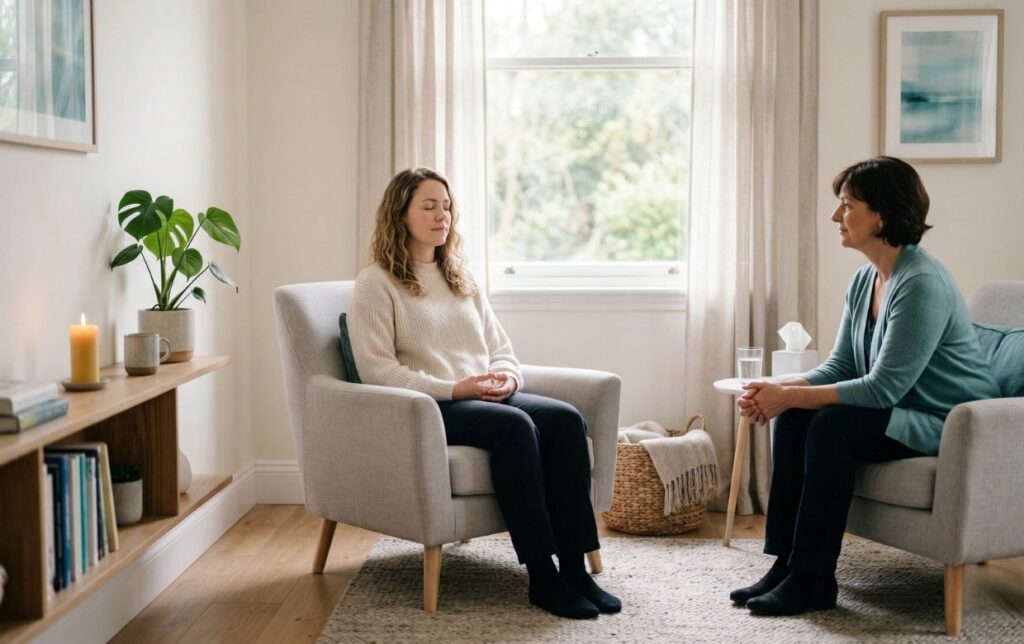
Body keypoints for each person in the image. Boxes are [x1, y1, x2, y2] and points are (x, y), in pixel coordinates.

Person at [730, 156, 999, 616]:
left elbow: (882, 389)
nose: (836, 216)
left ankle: (814, 579)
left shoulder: (921, 283)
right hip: (900, 413)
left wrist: (789, 394)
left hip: (947, 423)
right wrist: (775, 390)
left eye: (847, 205)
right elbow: (841, 366)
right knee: (795, 415)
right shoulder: (864, 279)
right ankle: (787, 564)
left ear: (882, 214)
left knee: (831, 425)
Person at [348, 167, 621, 620]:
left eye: (447, 206)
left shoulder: (460, 276)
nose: (443, 216)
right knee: (515, 426)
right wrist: (455, 387)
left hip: (483, 393)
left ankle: (574, 569)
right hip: (432, 404)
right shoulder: (375, 283)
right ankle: (541, 576)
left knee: (566, 419)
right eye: (429, 206)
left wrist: (508, 379)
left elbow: (500, 348)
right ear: (400, 214)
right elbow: (375, 368)